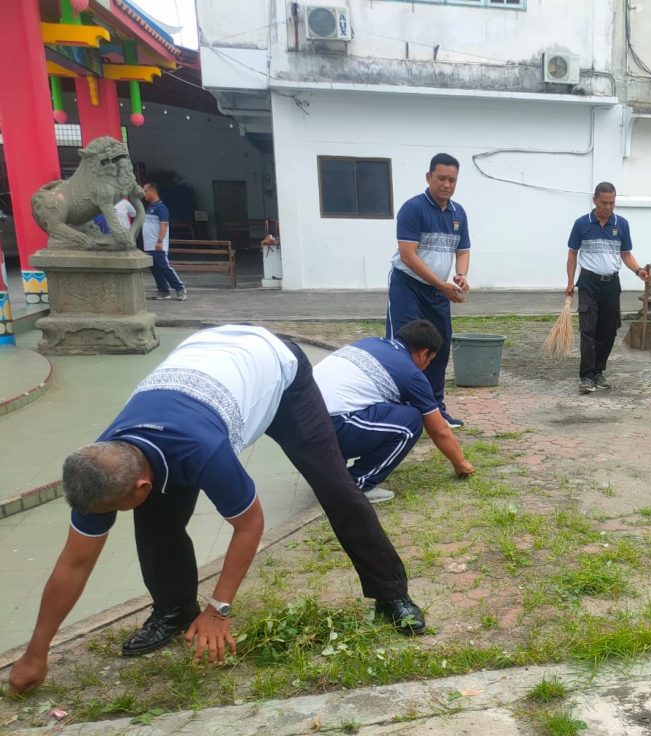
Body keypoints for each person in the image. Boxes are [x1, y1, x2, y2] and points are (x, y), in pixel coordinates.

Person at [8, 325, 426, 696]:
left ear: (140, 484)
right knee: (156, 517)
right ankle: (174, 610)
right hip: (206, 364)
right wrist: (36, 651)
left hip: (276, 369)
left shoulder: (204, 452)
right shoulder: (102, 465)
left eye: (115, 509)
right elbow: (74, 563)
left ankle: (392, 596)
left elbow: (249, 525)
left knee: (335, 485)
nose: (109, 516)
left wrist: (219, 609)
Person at [313, 319, 475, 501]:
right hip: (331, 427)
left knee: (394, 408)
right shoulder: (411, 374)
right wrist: (462, 464)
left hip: (303, 426)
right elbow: (439, 430)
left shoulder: (370, 343)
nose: (428, 365)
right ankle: (356, 485)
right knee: (410, 421)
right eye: (431, 360)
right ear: (423, 353)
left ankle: (330, 474)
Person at [386, 154, 470, 429]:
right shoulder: (413, 209)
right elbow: (408, 256)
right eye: (441, 178)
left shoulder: (458, 213)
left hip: (439, 290)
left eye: (452, 180)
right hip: (408, 286)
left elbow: (463, 250)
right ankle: (401, 409)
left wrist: (461, 276)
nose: (447, 185)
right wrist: (440, 284)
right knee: (406, 346)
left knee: (440, 346)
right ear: (429, 177)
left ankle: (435, 409)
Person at [565, 182, 651, 394]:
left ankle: (598, 372)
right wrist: (569, 282)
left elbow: (626, 254)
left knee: (608, 328)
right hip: (588, 282)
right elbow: (572, 253)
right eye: (604, 202)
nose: (608, 207)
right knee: (588, 328)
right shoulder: (581, 224)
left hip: (612, 284)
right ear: (594, 200)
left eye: (612, 203)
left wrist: (638, 271)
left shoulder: (621, 224)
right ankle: (586, 376)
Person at [142, 182, 186, 301]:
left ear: (152, 191)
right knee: (155, 268)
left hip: (158, 244)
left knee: (164, 266)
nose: (143, 194)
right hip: (149, 245)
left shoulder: (161, 208)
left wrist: (160, 241)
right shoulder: (150, 207)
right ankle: (163, 290)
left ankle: (180, 288)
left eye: (145, 191)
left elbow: (164, 225)